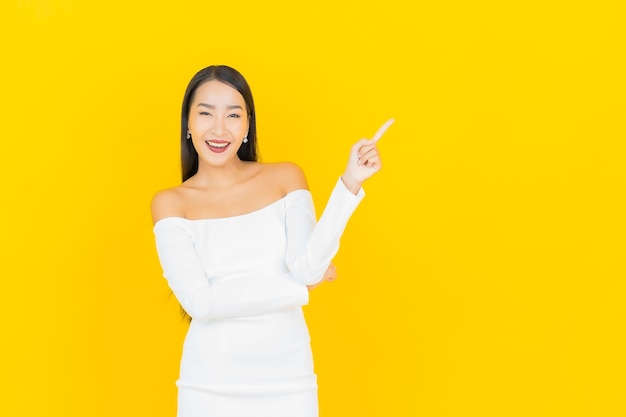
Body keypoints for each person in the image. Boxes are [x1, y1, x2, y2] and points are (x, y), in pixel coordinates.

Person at [151, 65, 392, 417]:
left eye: (233, 115)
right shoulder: (171, 203)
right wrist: (297, 290)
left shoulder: (285, 177)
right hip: (210, 384)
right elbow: (202, 303)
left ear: (248, 125)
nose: (219, 129)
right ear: (187, 123)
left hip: (288, 379)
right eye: (205, 114)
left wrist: (350, 182)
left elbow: (308, 268)